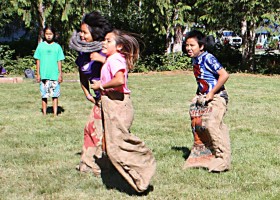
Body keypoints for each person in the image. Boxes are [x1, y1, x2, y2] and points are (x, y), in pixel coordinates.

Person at [91, 29, 156, 193]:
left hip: (117, 104)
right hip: (112, 103)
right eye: (104, 40)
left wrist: (101, 85)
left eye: (108, 41)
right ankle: (133, 176)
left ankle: (143, 168)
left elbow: (119, 80)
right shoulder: (113, 58)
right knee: (113, 145)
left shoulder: (115, 60)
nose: (104, 43)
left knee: (117, 146)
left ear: (119, 46)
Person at [69, 11, 112, 175]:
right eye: (80, 31)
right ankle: (90, 164)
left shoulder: (107, 50)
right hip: (99, 99)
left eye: (84, 32)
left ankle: (105, 164)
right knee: (91, 129)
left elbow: (121, 70)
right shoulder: (83, 53)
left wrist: (102, 59)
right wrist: (86, 92)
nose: (81, 35)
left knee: (107, 133)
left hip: (112, 99)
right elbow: (82, 71)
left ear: (95, 33)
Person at [182, 30, 231, 172]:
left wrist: (211, 93)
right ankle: (208, 154)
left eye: (192, 45)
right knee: (200, 124)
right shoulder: (195, 60)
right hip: (205, 96)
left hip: (218, 96)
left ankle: (222, 160)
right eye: (187, 45)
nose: (189, 48)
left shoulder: (208, 58)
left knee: (211, 124)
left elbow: (224, 75)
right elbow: (203, 80)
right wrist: (198, 94)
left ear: (201, 46)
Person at [34, 26, 65, 116]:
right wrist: (38, 74)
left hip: (54, 75)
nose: (48, 36)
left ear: (54, 35)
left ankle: (55, 114)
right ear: (44, 34)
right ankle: (44, 113)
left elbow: (59, 61)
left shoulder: (57, 47)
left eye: (50, 34)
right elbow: (38, 60)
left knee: (55, 96)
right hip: (44, 75)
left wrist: (60, 74)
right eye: (47, 34)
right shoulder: (40, 46)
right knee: (44, 96)